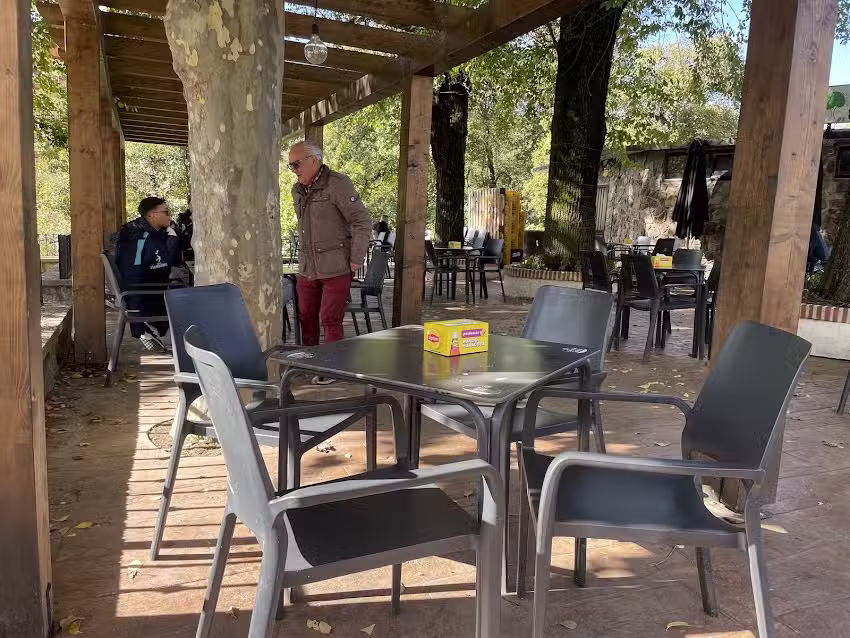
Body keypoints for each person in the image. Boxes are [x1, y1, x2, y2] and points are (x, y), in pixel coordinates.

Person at [289, 140, 371, 384]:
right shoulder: (298, 190)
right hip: (308, 267)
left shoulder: (338, 184)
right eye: (290, 166)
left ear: (314, 160)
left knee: (330, 318)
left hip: (336, 265)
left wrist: (356, 258)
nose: (293, 170)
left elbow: (362, 221)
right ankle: (312, 361)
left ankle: (332, 369)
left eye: (297, 164)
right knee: (306, 315)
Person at [115, 197, 181, 352]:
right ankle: (150, 329)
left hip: (150, 291)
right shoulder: (137, 239)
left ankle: (155, 331)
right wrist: (137, 319)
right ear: (152, 215)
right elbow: (134, 276)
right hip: (145, 296)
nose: (169, 215)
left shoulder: (148, 233)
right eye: (166, 212)